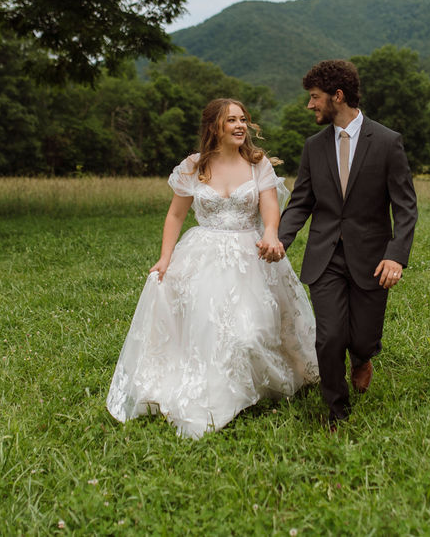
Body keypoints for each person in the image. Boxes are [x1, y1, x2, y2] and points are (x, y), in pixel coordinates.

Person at [106, 98, 319, 439]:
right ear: (213, 127)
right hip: (202, 256)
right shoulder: (194, 166)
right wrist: (165, 258)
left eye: (243, 120)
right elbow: (175, 215)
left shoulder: (257, 163)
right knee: (208, 330)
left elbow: (270, 210)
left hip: (250, 257)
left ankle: (258, 386)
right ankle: (219, 395)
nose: (239, 126)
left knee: (250, 333)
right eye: (231, 120)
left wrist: (269, 233)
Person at [260, 59, 418, 430]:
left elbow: (406, 207)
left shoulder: (387, 142)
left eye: (315, 97)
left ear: (338, 95)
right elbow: (301, 202)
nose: (310, 105)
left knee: (362, 337)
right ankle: (337, 410)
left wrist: (395, 256)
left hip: (372, 259)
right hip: (325, 256)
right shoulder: (313, 147)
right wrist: (280, 239)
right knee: (329, 337)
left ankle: (363, 358)